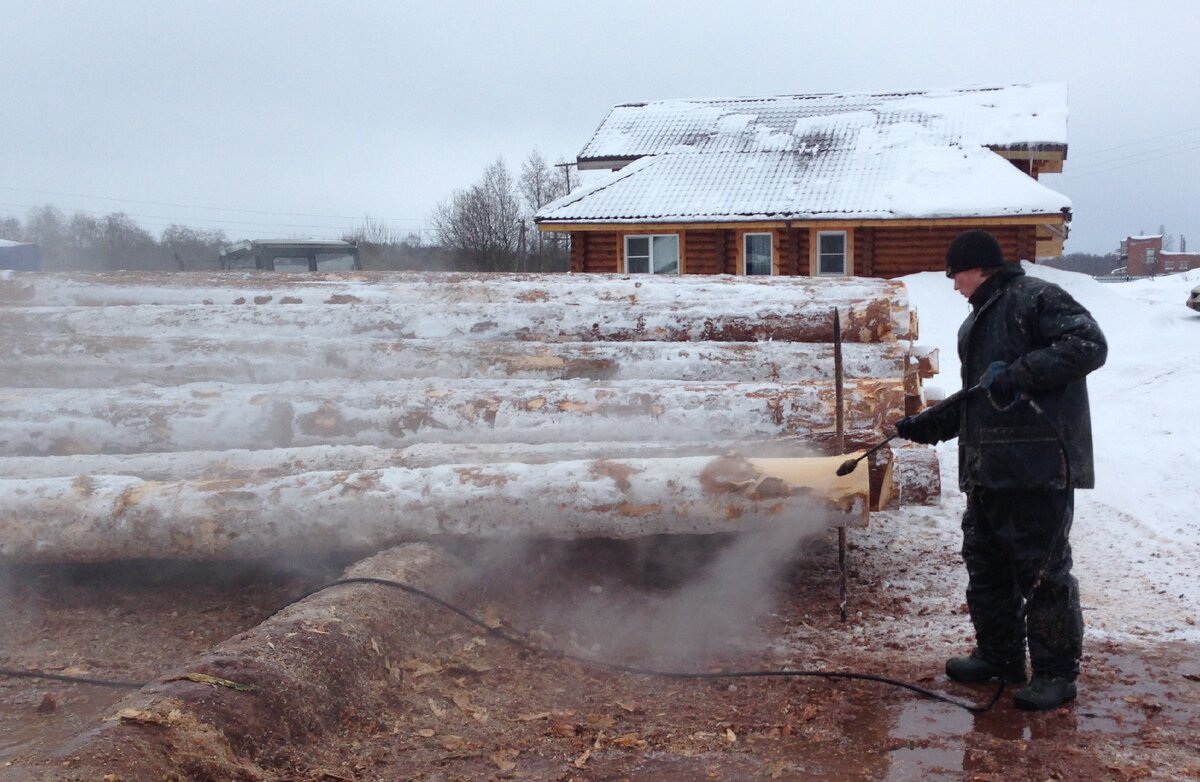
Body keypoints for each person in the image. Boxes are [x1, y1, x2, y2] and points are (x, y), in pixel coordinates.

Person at [895, 229, 1107, 711]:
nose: (953, 285)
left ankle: (1056, 674)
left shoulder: (1035, 298)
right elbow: (981, 397)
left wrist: (1019, 373)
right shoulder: (975, 323)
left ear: (978, 267)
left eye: (956, 274)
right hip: (987, 470)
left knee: (1041, 574)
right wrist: (929, 424)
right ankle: (1000, 656)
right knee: (986, 568)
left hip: (1037, 466)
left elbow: (1089, 343)